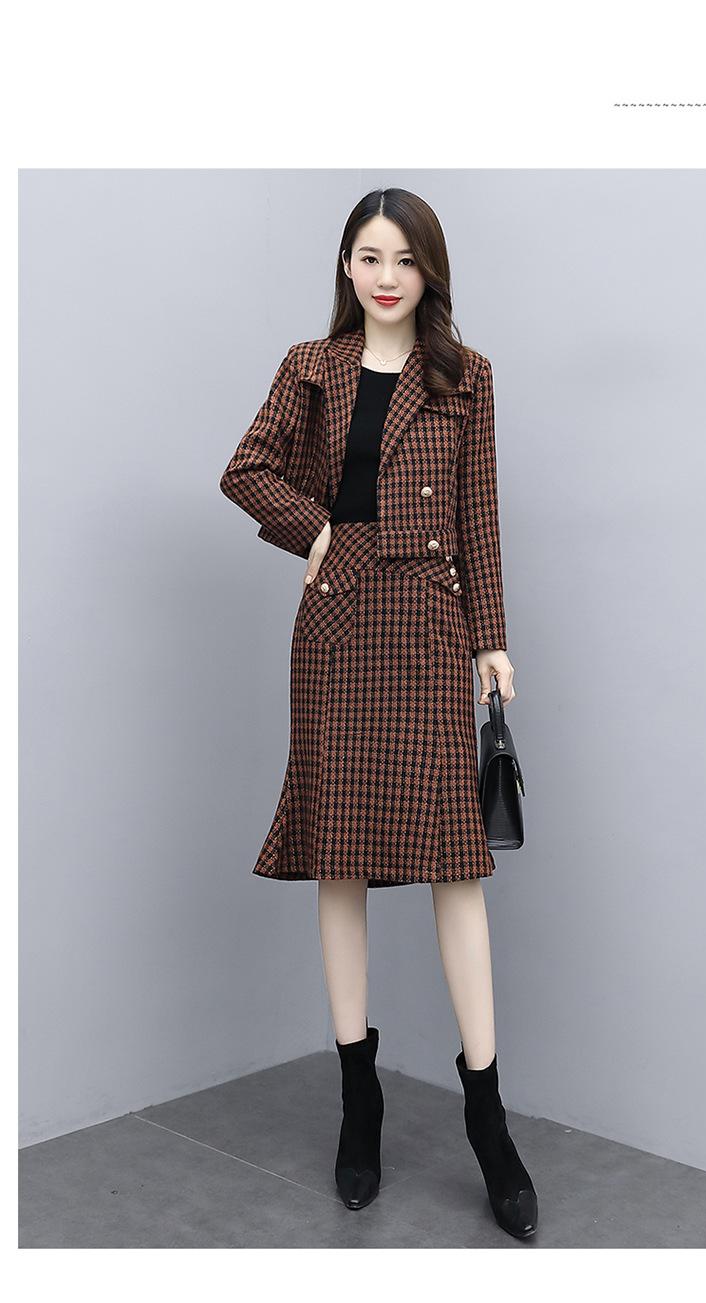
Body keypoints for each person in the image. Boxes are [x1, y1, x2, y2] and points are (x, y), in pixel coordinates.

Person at [219, 187, 538, 1239]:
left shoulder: (464, 375)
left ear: (428, 269)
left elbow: (480, 514)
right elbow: (246, 469)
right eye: (368, 255)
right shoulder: (310, 367)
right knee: (340, 856)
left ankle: (487, 1119)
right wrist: (317, 531)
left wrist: (490, 640)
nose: (386, 276)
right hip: (337, 623)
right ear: (346, 265)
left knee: (455, 866)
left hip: (430, 625)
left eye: (404, 258)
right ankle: (360, 1098)